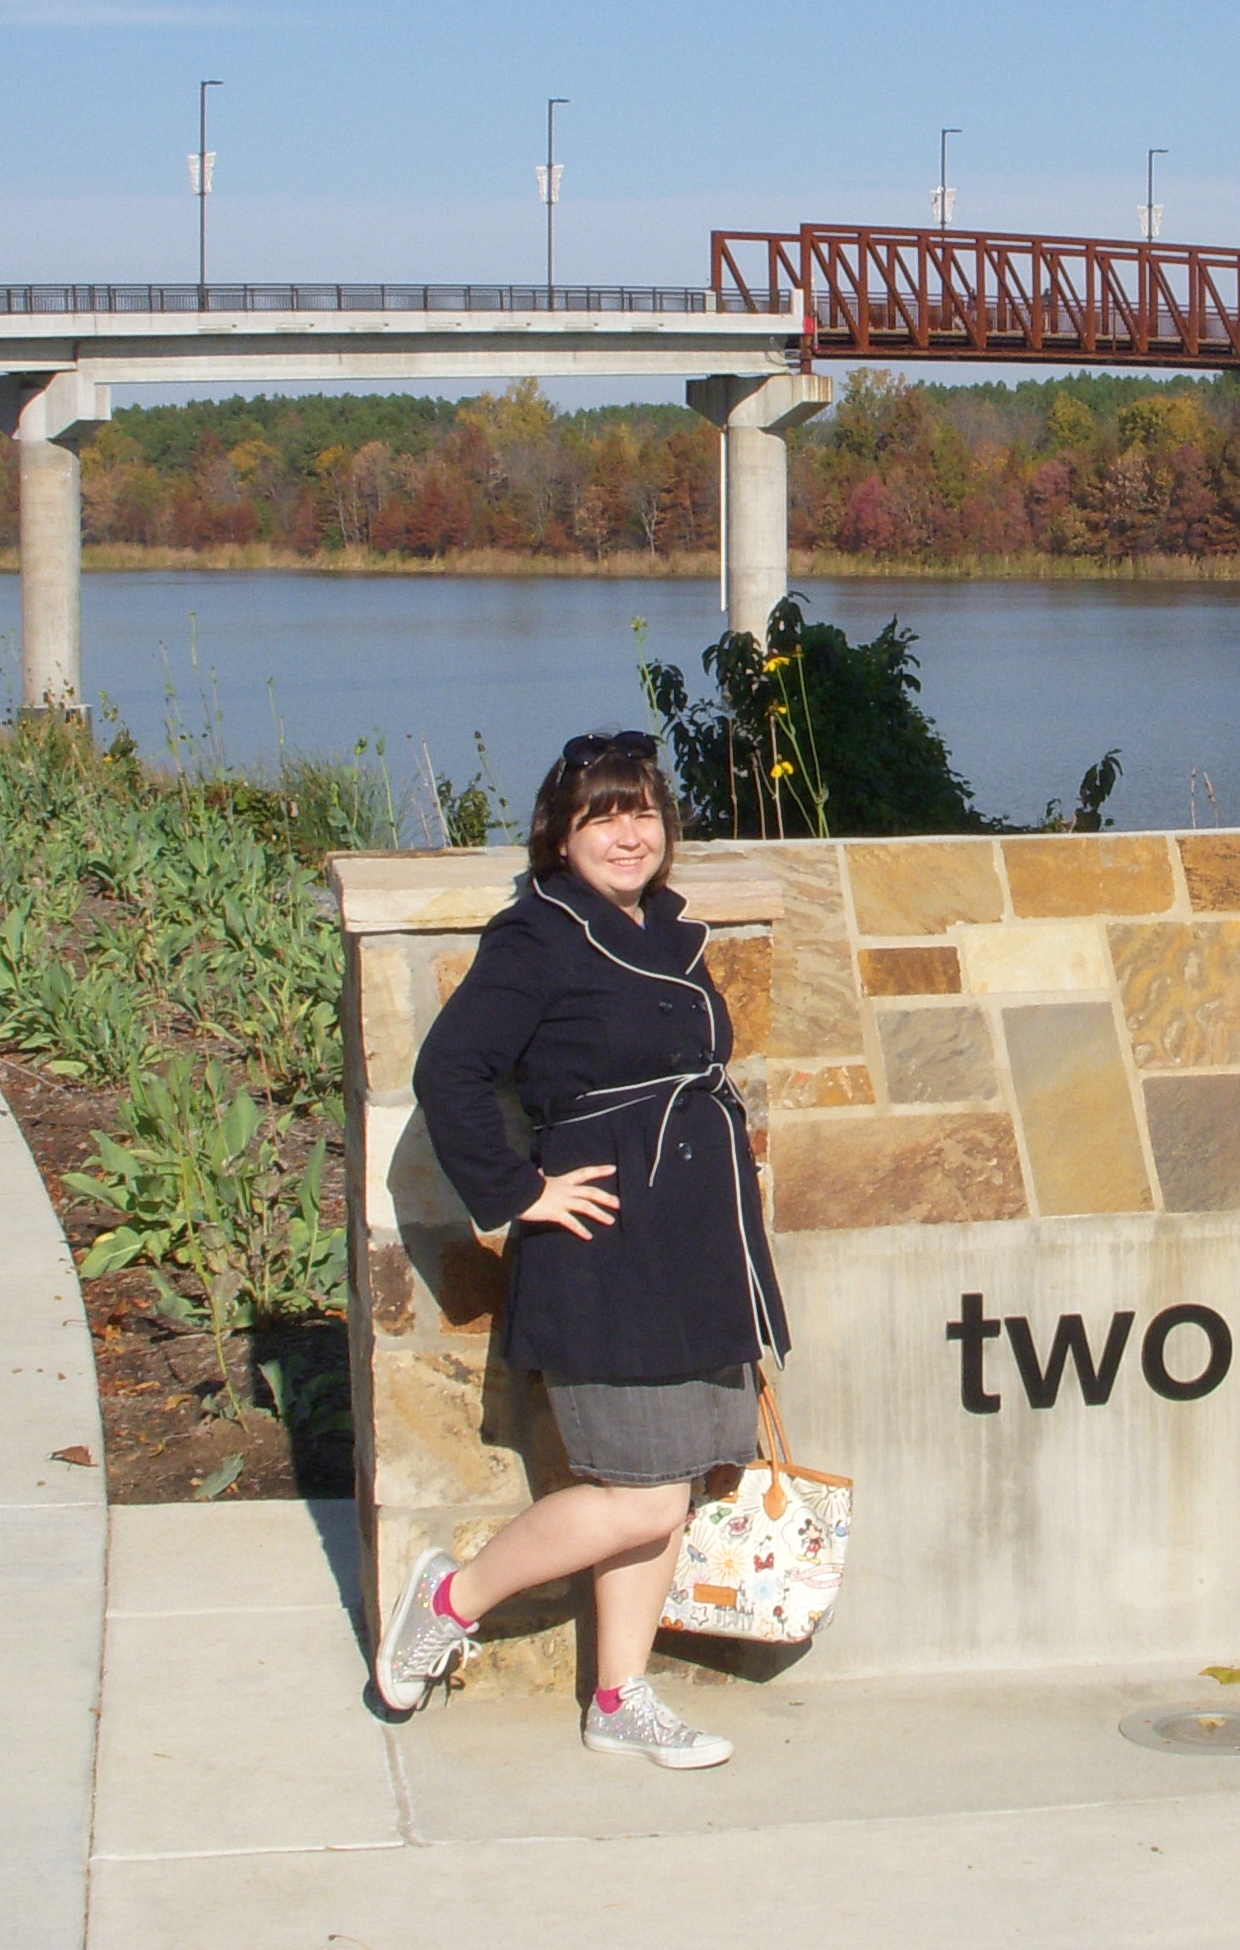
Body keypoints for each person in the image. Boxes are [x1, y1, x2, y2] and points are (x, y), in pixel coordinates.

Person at [371, 729, 787, 1769]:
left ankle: (618, 1698)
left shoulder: (666, 930)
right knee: (640, 1491)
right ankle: (451, 1598)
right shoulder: (539, 937)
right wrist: (520, 1193)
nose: (628, 834)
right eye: (602, 816)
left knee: (677, 1482)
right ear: (560, 835)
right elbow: (449, 1073)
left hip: (694, 1245)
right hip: (609, 1252)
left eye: (642, 812)